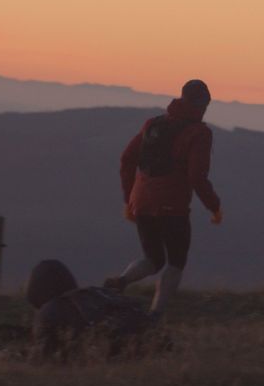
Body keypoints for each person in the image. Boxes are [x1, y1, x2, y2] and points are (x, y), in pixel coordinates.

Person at [103, 79, 223, 319]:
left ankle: (122, 280)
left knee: (153, 258)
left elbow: (127, 159)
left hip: (142, 203)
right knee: (176, 262)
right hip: (173, 206)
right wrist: (214, 206)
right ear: (202, 104)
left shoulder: (153, 124)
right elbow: (197, 177)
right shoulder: (199, 133)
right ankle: (156, 314)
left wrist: (129, 200)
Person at [26, 259, 156, 357]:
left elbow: (43, 355)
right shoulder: (95, 294)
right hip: (148, 337)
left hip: (118, 349)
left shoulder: (49, 312)